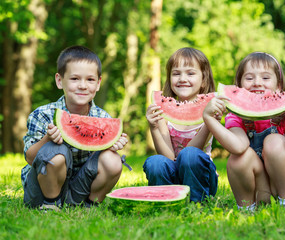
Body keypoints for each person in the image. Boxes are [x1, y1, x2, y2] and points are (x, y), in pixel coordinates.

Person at [203, 52, 285, 211]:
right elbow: (238, 147)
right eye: (249, 78)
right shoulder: (236, 117)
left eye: (265, 78)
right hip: (263, 189)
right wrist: (209, 119)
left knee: (274, 141)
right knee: (238, 158)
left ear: (279, 86)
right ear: (239, 86)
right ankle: (247, 209)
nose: (257, 83)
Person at [21, 45, 128, 211]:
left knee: (113, 160)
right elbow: (29, 158)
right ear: (59, 80)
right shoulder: (42, 114)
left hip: (80, 189)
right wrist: (47, 139)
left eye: (90, 80)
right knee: (54, 151)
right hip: (40, 192)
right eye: (75, 79)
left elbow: (102, 160)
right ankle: (51, 204)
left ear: (98, 83)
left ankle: (88, 205)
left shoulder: (103, 117)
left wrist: (112, 145)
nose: (83, 86)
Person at [143, 47, 218, 202]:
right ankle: (165, 202)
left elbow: (193, 152)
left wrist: (209, 121)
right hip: (173, 175)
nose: (182, 78)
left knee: (189, 154)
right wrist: (154, 128)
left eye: (190, 73)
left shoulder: (209, 111)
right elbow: (169, 157)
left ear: (203, 79)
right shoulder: (163, 111)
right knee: (155, 162)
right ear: (170, 79)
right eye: (176, 73)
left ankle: (197, 204)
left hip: (202, 177)